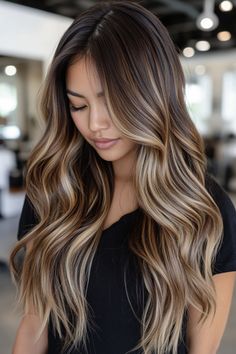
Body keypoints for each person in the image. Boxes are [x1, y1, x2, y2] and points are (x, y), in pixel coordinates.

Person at [9, 1, 236, 354]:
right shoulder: (54, 191)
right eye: (78, 105)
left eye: (111, 101)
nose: (95, 124)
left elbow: (202, 348)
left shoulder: (204, 211)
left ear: (152, 94)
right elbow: (34, 325)